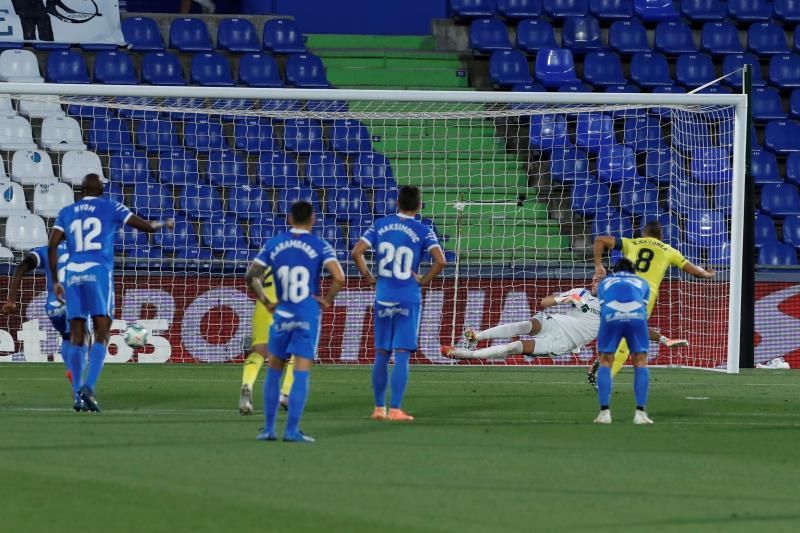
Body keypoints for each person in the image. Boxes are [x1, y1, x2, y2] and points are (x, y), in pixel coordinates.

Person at [49, 174, 173, 412]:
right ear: (102, 189)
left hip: (72, 274)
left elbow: (53, 243)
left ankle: (76, 394)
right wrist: (163, 223)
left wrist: (56, 280)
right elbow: (145, 226)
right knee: (102, 332)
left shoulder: (67, 211)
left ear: (81, 189)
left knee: (77, 335)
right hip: (98, 272)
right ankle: (89, 388)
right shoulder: (110, 205)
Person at [250, 201, 344, 443]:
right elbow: (339, 277)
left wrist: (266, 301)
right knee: (301, 371)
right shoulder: (319, 245)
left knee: (274, 369)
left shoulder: (275, 243)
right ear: (312, 219)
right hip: (306, 314)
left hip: (282, 313)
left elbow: (251, 275)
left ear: (290, 219)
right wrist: (327, 300)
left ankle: (269, 429)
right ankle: (292, 431)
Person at [352, 185, 446, 422]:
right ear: (418, 205)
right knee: (402, 353)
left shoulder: (380, 225)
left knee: (381, 352)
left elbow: (357, 252)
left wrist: (368, 276)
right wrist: (423, 280)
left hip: (383, 294)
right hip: (407, 295)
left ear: (397, 204)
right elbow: (440, 261)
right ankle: (395, 409)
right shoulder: (423, 230)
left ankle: (377, 408)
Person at [588, 221, 716, 383]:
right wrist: (707, 275)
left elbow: (600, 240)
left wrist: (599, 266)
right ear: (661, 237)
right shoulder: (669, 250)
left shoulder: (632, 242)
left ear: (643, 233)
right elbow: (694, 271)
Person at [1, 241, 76, 394]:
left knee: (67, 336)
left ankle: (73, 371)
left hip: (53, 307)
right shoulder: (84, 251)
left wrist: (11, 299)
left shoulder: (47, 251)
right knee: (81, 339)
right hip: (76, 303)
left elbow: (22, 267)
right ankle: (76, 374)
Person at [594, 258, 652, 425]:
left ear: (615, 271)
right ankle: (640, 414)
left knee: (605, 361)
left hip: (611, 316)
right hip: (636, 317)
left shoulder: (605, 282)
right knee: (640, 361)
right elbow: (641, 305)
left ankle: (604, 413)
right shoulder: (643, 282)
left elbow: (604, 305)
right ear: (633, 271)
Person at [239, 262, 295, 416]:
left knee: (259, 351)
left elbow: (250, 277)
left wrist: (265, 299)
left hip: (265, 306)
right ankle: (285, 394)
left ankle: (247, 385)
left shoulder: (268, 252)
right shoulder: (303, 253)